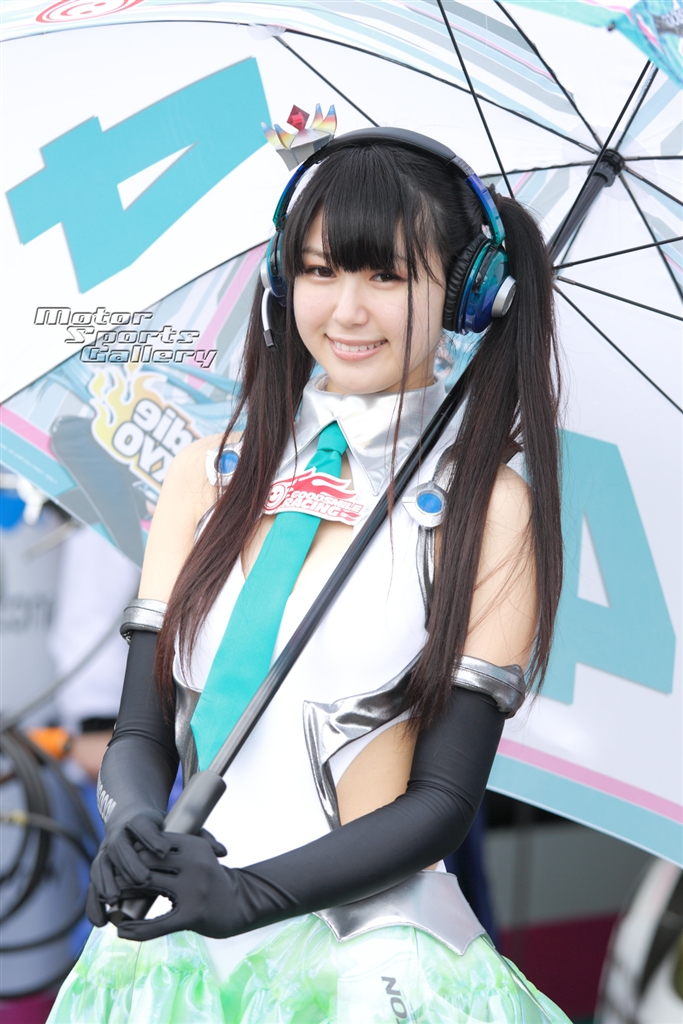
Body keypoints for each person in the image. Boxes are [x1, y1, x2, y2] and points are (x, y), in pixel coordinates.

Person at [48, 127, 569, 1023]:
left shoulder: (490, 510)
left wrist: (250, 895)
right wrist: (131, 819)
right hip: (171, 954)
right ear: (281, 279)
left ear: (468, 291)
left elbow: (443, 800)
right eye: (321, 271)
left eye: (387, 276)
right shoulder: (204, 475)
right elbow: (141, 727)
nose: (347, 311)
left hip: (372, 967)